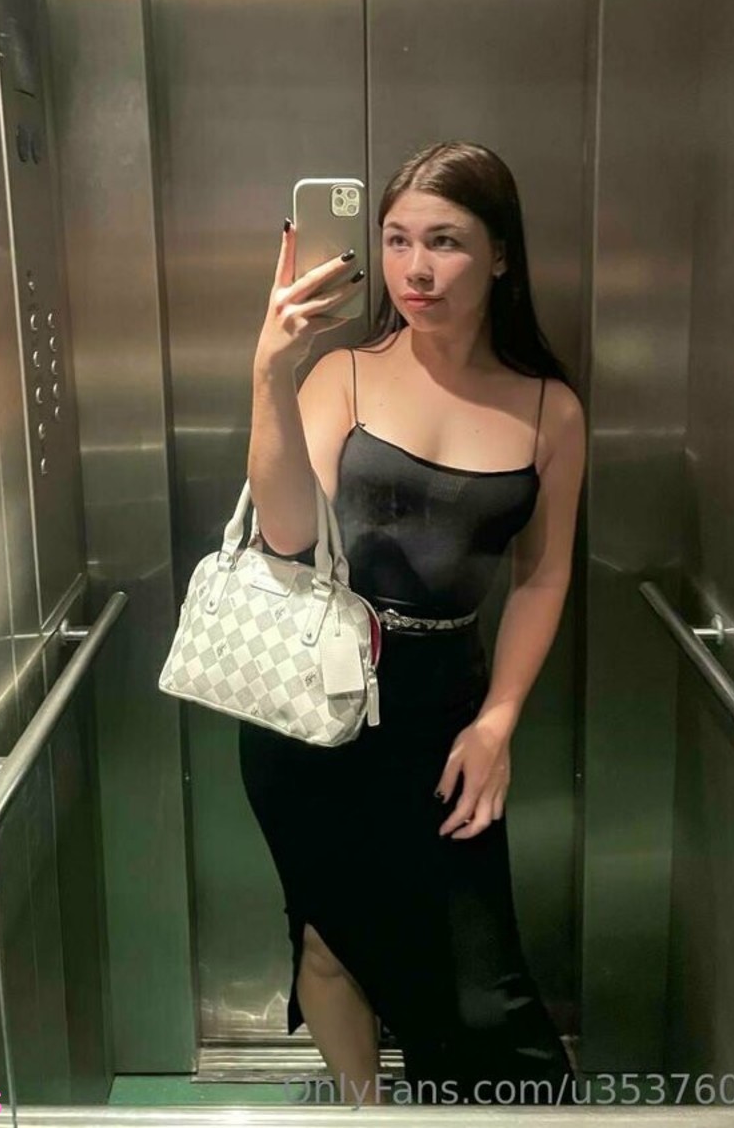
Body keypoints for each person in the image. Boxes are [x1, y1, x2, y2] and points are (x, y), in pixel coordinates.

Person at [239, 141, 587, 1107]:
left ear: (502, 255)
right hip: (316, 709)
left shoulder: (551, 411)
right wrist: (272, 372)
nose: (415, 269)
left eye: (445, 241)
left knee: (483, 993)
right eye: (396, 240)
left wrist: (498, 722)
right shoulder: (342, 375)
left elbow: (543, 575)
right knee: (327, 940)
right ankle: (368, 1112)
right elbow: (286, 534)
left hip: (445, 716)